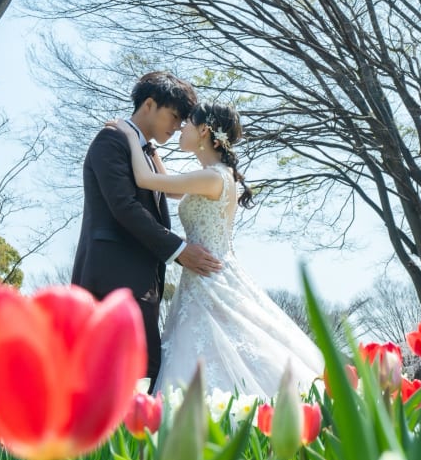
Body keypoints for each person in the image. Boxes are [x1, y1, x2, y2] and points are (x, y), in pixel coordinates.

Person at [111, 101, 324, 398]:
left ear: (203, 131)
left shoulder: (213, 177)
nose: (180, 128)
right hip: (204, 274)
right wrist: (151, 150)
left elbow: (146, 181)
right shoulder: (215, 174)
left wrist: (132, 136)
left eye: (187, 124)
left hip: (208, 276)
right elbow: (170, 189)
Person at [72, 72, 222, 392]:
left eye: (184, 120)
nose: (178, 125)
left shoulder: (145, 151)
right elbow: (124, 206)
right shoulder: (110, 140)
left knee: (144, 371)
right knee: (118, 376)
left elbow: (171, 191)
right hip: (111, 280)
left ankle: (133, 441)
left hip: (142, 282)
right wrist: (179, 251)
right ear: (150, 105)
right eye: (174, 116)